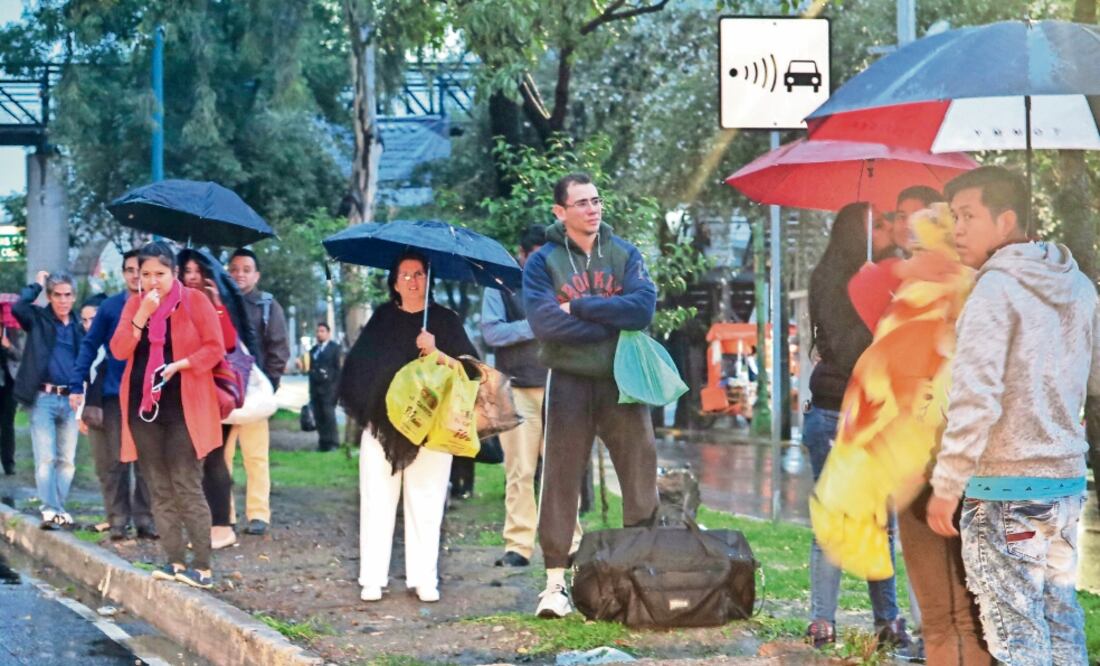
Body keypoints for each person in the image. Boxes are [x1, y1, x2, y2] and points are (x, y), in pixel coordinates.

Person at [927, 166, 1093, 665]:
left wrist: (946, 484)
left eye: (969, 216)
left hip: (1004, 492)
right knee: (1061, 625)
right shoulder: (1079, 285)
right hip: (1063, 488)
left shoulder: (994, 290)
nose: (957, 228)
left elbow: (976, 398)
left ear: (1006, 221)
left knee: (1016, 636)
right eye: (954, 216)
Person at [524, 173, 659, 619]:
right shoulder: (543, 262)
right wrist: (611, 319)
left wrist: (581, 307)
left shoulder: (624, 254)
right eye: (581, 203)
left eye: (596, 200)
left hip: (623, 380)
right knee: (560, 478)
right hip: (568, 380)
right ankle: (554, 586)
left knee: (639, 473)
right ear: (560, 212)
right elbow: (546, 324)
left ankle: (641, 573)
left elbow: (641, 310)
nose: (593, 209)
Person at [339, 251, 477, 604]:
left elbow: (472, 371)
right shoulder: (383, 318)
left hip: (432, 429)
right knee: (376, 501)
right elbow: (358, 368)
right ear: (394, 281)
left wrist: (437, 352)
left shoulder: (444, 321)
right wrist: (370, 412)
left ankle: (424, 578)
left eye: (419, 274)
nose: (413, 281)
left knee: (427, 503)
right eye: (405, 275)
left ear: (429, 279)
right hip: (383, 428)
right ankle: (372, 578)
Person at [803, 202, 908, 650]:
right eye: (877, 224)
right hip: (838, 411)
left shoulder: (885, 274)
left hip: (868, 414)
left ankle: (886, 619)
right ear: (855, 233)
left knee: (880, 521)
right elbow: (852, 349)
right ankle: (825, 620)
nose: (888, 229)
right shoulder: (838, 280)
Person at [110, 241, 225, 589]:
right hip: (143, 408)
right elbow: (118, 351)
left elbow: (215, 348)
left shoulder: (194, 301)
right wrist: (142, 314)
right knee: (158, 487)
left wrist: (180, 365)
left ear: (174, 273)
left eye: (159, 273)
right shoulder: (134, 304)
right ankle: (174, 561)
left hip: (184, 407)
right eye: (145, 274)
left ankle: (202, 567)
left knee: (185, 483)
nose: (152, 280)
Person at [481, 223, 583, 568]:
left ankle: (571, 544)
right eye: (534, 259)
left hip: (561, 386)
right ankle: (518, 546)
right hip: (515, 389)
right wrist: (536, 325)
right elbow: (491, 331)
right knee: (519, 471)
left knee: (562, 470)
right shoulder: (499, 285)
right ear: (521, 255)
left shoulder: (565, 283)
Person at [70, 260, 158, 542]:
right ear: (123, 274)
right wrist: (77, 384)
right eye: (130, 270)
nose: (136, 276)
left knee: (148, 463)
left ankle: (146, 520)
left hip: (149, 396)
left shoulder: (161, 304)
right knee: (114, 462)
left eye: (141, 271)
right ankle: (118, 520)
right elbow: (89, 344)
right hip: (113, 395)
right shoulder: (110, 307)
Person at [180, 248, 250, 551]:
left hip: (211, 391)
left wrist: (217, 305)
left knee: (214, 457)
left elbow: (229, 343)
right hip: (181, 389)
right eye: (187, 271)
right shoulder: (174, 301)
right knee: (186, 460)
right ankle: (200, 521)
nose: (193, 276)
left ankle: (222, 524)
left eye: (198, 270)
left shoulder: (216, 301)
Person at [226, 248, 289, 536]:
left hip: (255, 393)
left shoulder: (267, 306)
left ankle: (258, 514)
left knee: (256, 458)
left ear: (257, 274)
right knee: (219, 459)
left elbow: (278, 349)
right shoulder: (219, 301)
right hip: (223, 392)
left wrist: (268, 389)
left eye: (246, 269)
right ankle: (222, 513)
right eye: (235, 268)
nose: (240, 274)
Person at [13, 271, 83, 529]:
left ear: (74, 297)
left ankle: (58, 508)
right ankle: (50, 508)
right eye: (57, 295)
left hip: (71, 399)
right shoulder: (38, 319)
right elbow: (19, 306)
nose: (63, 300)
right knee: (46, 458)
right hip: (43, 396)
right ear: (50, 296)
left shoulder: (78, 324)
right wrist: (38, 285)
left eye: (67, 295)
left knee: (68, 461)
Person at [308, 322, 342, 452]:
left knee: (329, 416)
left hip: (329, 389)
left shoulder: (335, 349)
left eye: (322, 331)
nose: (319, 334)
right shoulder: (314, 350)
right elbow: (311, 370)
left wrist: (336, 388)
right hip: (316, 390)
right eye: (318, 331)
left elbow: (338, 370)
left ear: (328, 333)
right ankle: (323, 442)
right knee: (319, 416)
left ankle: (333, 443)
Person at [0, 319, 23, 475]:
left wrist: (8, 346)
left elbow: (20, 356)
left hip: (9, 385)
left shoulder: (12, 331)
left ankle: (9, 463)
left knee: (7, 425)